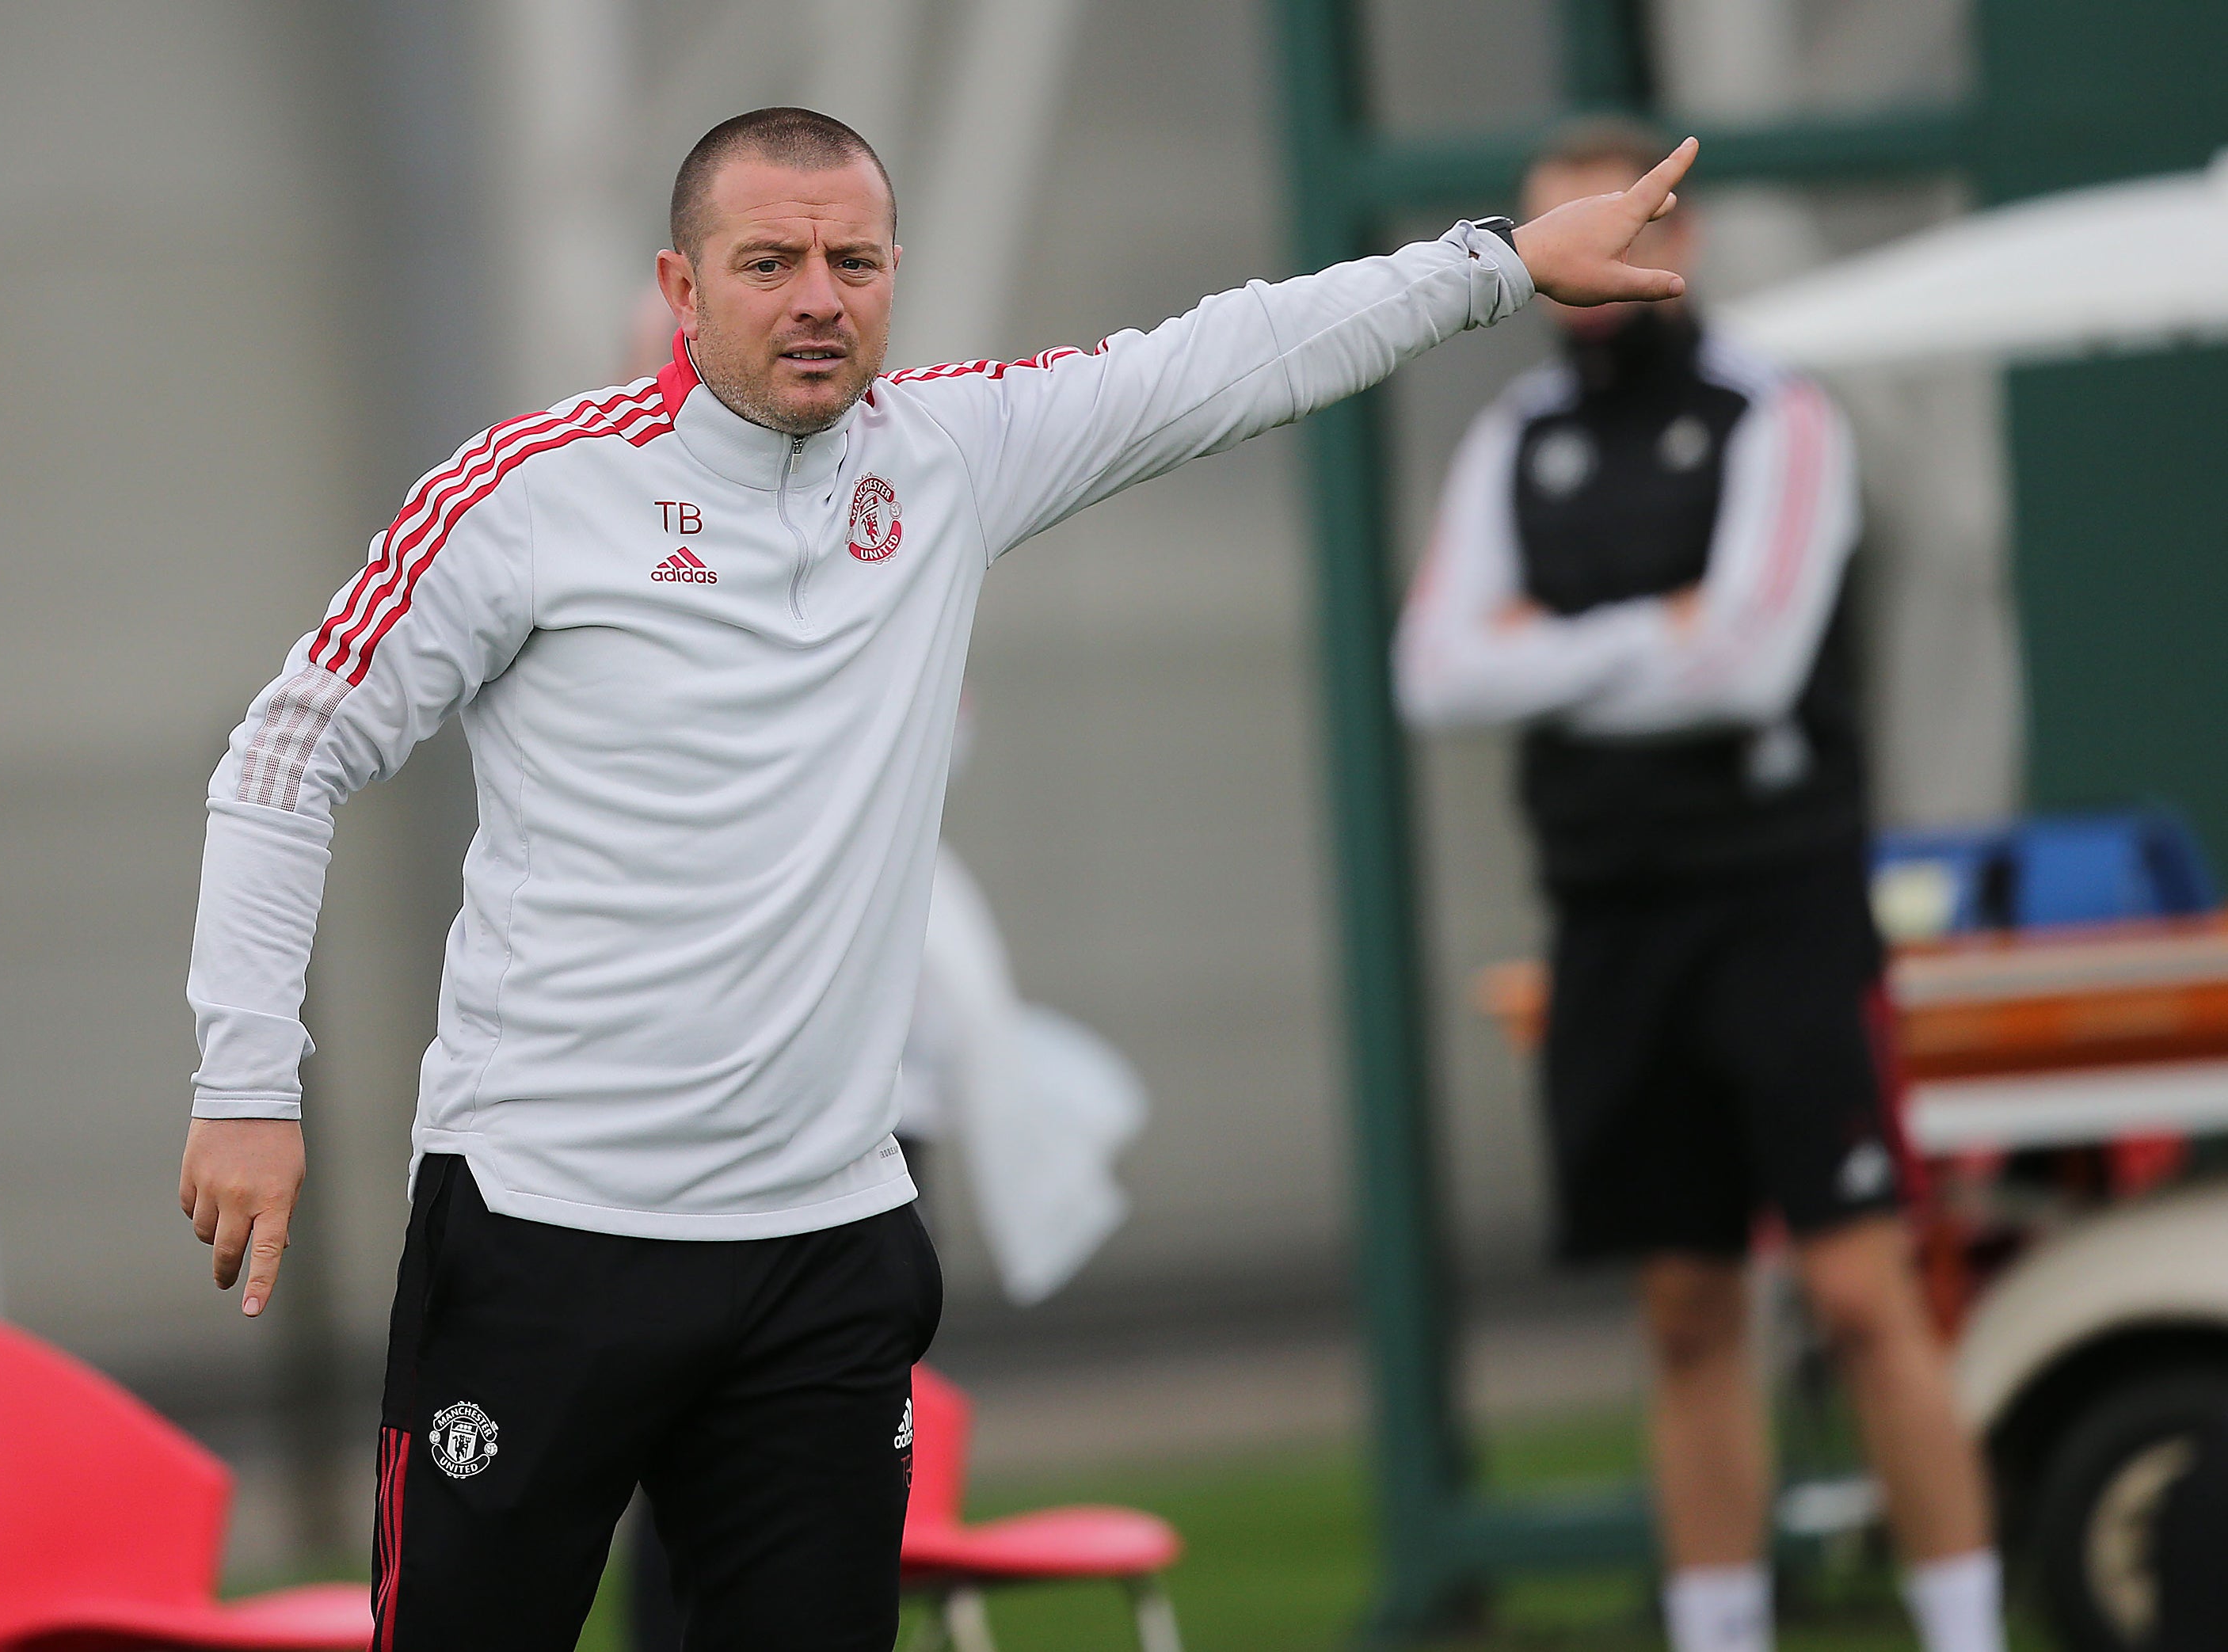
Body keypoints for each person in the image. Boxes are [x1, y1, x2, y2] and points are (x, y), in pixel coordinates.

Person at [178, 103, 1694, 1650]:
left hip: (820, 1252)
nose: (818, 296)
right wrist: (247, 1079)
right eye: (769, 261)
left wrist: (1497, 266)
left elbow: (1224, 358)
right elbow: (284, 756)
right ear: (681, 289)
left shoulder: (953, 451)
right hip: (545, 1226)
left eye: (854, 259)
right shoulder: (524, 492)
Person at [1394, 118, 2003, 1652]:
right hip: (1611, 915)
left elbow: (1746, 660)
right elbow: (1438, 671)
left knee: (1865, 1299)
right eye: (1555, 235)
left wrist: (1558, 641)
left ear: (1683, 236)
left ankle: (1966, 1621)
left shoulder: (1779, 416)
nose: (1589, 266)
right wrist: (1644, 630)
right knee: (1684, 1308)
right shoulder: (1511, 443)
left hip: (1782, 910)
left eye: (1623, 223)